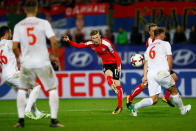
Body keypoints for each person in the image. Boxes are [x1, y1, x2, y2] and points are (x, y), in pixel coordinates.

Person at [12, 0, 63, 128]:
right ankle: (53, 120)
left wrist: (20, 58)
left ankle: (21, 120)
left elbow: (14, 46)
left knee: (22, 89)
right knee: (52, 89)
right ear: (36, 9)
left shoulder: (18, 25)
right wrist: (56, 56)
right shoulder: (43, 23)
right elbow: (54, 41)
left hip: (27, 62)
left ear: (24, 10)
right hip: (43, 61)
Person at [128, 27, 191, 116]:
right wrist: (168, 71)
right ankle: (183, 110)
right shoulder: (165, 44)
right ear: (161, 34)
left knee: (154, 100)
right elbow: (169, 58)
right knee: (173, 91)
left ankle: (135, 107)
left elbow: (146, 63)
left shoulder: (149, 47)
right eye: (164, 34)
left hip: (151, 74)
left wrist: (145, 76)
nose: (164, 36)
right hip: (161, 72)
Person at [64, 30, 123, 114]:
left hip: (114, 63)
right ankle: (113, 86)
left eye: (97, 37)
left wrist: (118, 66)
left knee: (118, 85)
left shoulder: (106, 43)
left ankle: (119, 106)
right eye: (94, 38)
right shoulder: (90, 44)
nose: (96, 39)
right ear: (91, 39)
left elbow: (116, 55)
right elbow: (78, 46)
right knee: (108, 75)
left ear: (100, 36)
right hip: (105, 64)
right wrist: (69, 41)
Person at [126, 23, 177, 109]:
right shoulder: (150, 41)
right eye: (153, 31)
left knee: (174, 78)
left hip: (161, 66)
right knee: (145, 85)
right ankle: (130, 97)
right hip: (153, 66)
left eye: (156, 30)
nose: (155, 32)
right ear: (149, 32)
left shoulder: (158, 40)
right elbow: (150, 56)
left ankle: (166, 97)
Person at [0, 26, 41, 128]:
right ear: (6, 34)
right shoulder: (8, 43)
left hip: (5, 76)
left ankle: (37, 113)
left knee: (24, 93)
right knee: (36, 86)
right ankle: (27, 111)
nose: (11, 34)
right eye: (10, 33)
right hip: (13, 74)